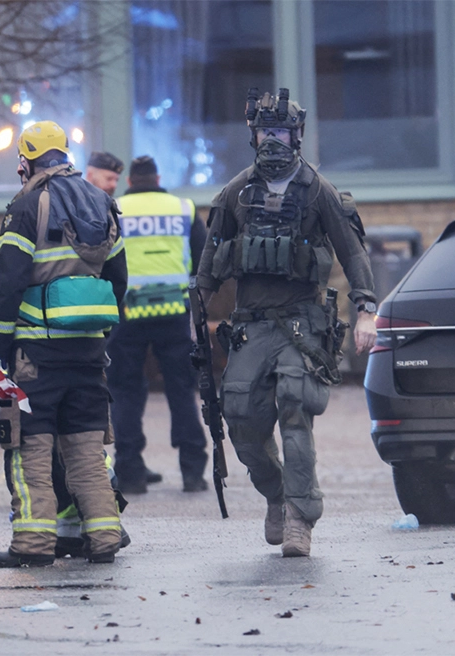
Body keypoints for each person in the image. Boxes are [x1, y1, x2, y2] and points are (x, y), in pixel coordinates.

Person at [195, 88, 377, 558]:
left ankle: (300, 515)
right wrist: (195, 309)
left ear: (296, 136)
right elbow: (211, 262)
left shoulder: (319, 191)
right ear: (253, 136)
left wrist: (366, 311)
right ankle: (276, 495)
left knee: (295, 410)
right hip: (251, 324)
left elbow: (353, 253)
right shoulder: (237, 192)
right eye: (264, 132)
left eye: (280, 132)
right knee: (241, 421)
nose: (272, 141)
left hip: (301, 322)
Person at [0, 121, 127, 567]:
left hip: (35, 354)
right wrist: (99, 332)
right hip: (87, 351)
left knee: (30, 452)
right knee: (87, 450)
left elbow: (8, 282)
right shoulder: (102, 201)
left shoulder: (27, 205)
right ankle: (104, 538)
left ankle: (32, 545)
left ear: (26, 160)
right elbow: (118, 278)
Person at [107, 155, 208, 494]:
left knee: (125, 392)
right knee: (181, 390)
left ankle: (131, 471)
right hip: (173, 311)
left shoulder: (114, 208)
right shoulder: (183, 208)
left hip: (127, 313)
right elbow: (202, 259)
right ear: (158, 178)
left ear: (131, 181)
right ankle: (193, 471)